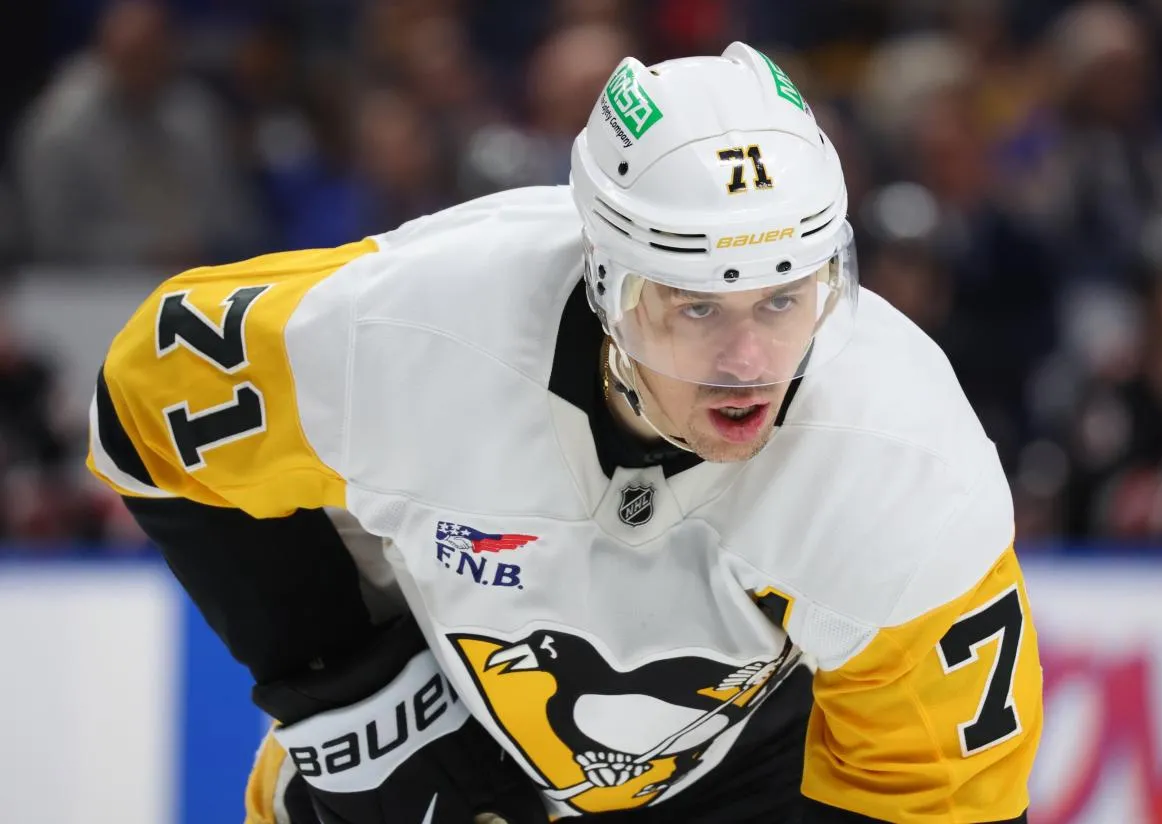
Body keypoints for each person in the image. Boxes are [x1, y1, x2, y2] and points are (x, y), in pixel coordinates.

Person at [87, 43, 1042, 823]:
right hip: (437, 710)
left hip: (741, 771)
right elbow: (147, 402)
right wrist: (349, 696)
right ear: (606, 284)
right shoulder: (407, 328)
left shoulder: (902, 462)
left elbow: (938, 800)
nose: (751, 362)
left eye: (785, 299)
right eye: (696, 309)